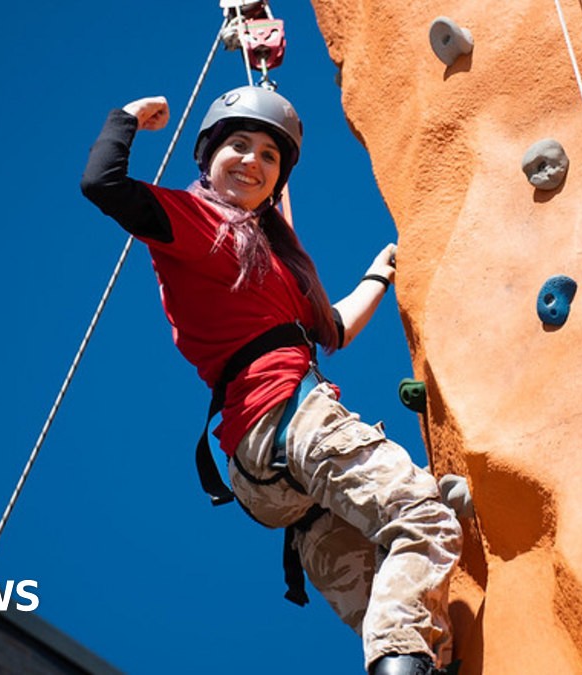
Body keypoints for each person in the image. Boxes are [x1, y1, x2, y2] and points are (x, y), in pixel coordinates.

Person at [80, 85, 462, 675]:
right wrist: (126, 116)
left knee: (409, 628)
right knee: (424, 518)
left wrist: (378, 276)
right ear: (207, 158)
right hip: (289, 417)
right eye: (238, 145)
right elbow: (104, 185)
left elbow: (331, 326)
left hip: (268, 478)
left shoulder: (277, 264)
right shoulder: (197, 217)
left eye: (268, 156)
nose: (252, 162)